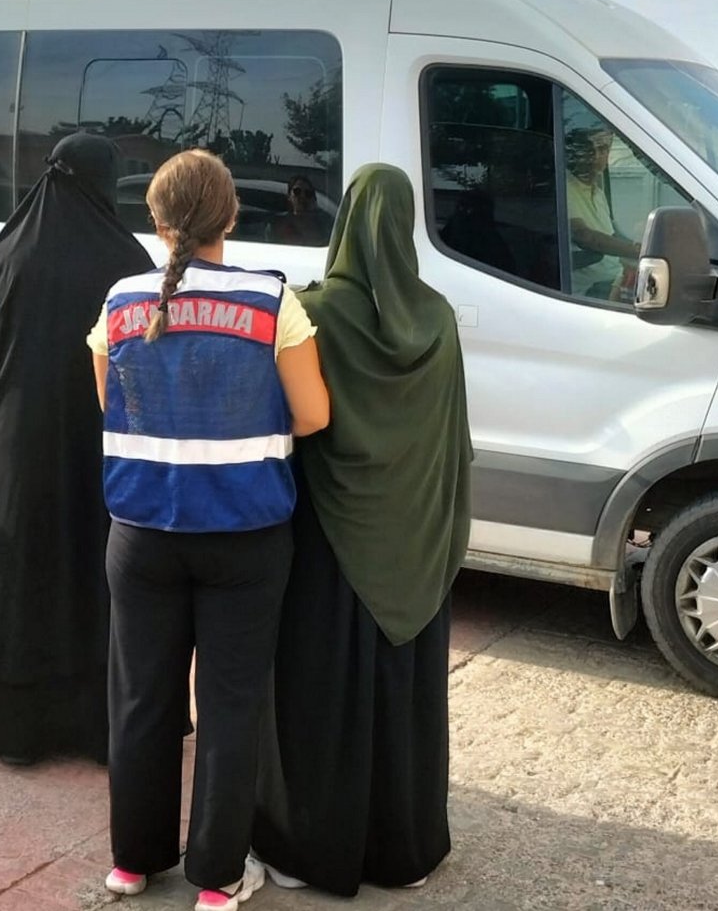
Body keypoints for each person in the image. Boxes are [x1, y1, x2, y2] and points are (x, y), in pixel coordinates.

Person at [90, 150, 329, 911]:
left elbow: (108, 401)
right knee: (230, 706)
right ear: (230, 216)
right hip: (244, 532)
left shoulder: (122, 298)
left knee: (141, 699)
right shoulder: (271, 302)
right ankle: (218, 879)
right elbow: (313, 413)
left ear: (156, 221)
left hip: (139, 532)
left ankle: (133, 861)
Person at [253, 163, 472, 897]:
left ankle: (303, 849)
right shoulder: (438, 316)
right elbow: (452, 438)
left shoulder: (310, 310)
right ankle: (405, 851)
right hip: (413, 536)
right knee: (401, 696)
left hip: (326, 533)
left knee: (316, 693)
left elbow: (288, 417)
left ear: (344, 221)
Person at [0, 133, 153, 765]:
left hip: (15, 441)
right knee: (92, 577)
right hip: (92, 443)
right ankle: (95, 729)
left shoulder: (11, 242)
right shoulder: (123, 254)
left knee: (19, 576)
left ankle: (12, 728)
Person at [566, 127, 639, 300]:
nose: (597, 156)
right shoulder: (564, 187)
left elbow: (609, 235)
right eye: (590, 150)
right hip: (587, 289)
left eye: (603, 149)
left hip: (612, 277)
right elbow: (583, 236)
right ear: (575, 154)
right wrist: (637, 251)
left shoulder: (597, 192)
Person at [267, 175, 331, 246]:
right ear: (289, 196)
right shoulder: (277, 225)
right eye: (297, 191)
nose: (302, 196)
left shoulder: (322, 227)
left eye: (308, 193)